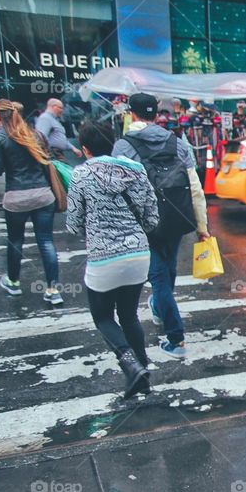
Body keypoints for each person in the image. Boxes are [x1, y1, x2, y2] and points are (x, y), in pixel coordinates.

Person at [112, 92, 210, 360]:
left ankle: (176, 338)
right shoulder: (177, 143)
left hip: (145, 222)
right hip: (176, 218)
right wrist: (202, 226)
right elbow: (195, 188)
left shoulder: (123, 146)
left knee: (157, 278)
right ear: (156, 115)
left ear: (132, 114)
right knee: (166, 270)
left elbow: (116, 191)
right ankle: (159, 307)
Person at [66, 121, 159, 397]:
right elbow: (152, 217)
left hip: (103, 259)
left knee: (104, 317)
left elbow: (73, 224)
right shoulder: (137, 170)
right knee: (129, 315)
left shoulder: (80, 175)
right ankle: (142, 374)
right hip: (138, 255)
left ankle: (131, 366)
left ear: (84, 149)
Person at [0, 99, 63, 305]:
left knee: (16, 242)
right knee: (46, 242)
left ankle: (13, 283)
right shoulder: (35, 135)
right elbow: (46, 165)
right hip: (43, 195)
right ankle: (53, 290)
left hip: (17, 198)